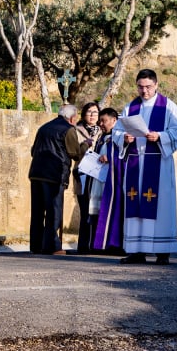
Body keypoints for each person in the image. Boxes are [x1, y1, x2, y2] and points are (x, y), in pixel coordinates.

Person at [115, 69, 177, 265]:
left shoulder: (168, 107)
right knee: (135, 204)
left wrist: (160, 136)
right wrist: (124, 138)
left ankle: (162, 252)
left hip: (158, 163)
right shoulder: (130, 108)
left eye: (148, 87)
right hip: (136, 163)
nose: (144, 91)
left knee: (161, 206)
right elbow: (117, 131)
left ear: (156, 85)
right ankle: (136, 250)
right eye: (140, 87)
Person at [29, 104, 76, 255]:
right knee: (54, 211)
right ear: (72, 118)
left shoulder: (43, 128)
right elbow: (74, 152)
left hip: (36, 173)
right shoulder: (68, 129)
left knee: (37, 211)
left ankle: (36, 245)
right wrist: (84, 146)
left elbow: (33, 150)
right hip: (55, 174)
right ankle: (52, 246)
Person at [65, 102, 102, 254]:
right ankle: (83, 245)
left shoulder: (102, 131)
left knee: (97, 211)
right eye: (89, 112)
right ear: (83, 114)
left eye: (95, 112)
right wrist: (85, 146)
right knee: (85, 210)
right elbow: (74, 153)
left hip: (98, 175)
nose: (92, 115)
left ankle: (96, 245)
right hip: (83, 174)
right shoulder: (76, 131)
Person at [90, 107, 123, 253]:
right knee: (98, 211)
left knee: (113, 211)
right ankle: (99, 244)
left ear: (114, 120)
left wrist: (110, 158)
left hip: (115, 180)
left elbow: (125, 157)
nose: (101, 124)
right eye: (100, 121)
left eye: (104, 121)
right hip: (101, 179)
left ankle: (113, 245)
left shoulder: (119, 136)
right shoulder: (102, 137)